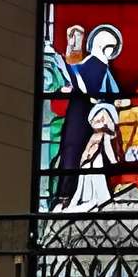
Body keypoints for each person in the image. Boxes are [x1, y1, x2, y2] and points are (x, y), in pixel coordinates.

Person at [53, 23, 124, 209]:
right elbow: (81, 83)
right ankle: (64, 197)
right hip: (80, 112)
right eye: (106, 46)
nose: (109, 51)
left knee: (92, 157)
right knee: (73, 152)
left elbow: (113, 94)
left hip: (96, 116)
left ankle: (80, 196)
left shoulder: (104, 69)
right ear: (96, 45)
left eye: (112, 47)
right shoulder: (89, 64)